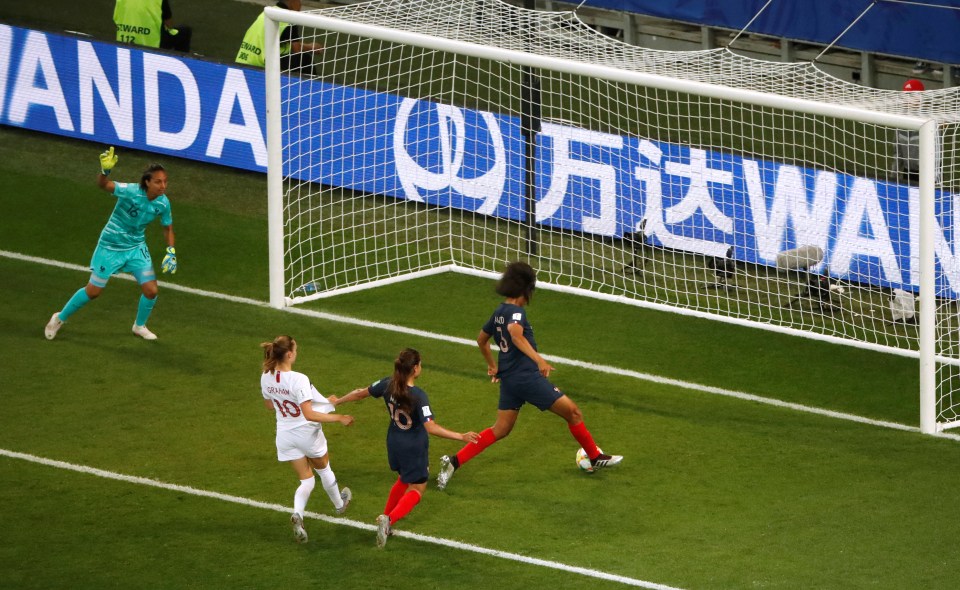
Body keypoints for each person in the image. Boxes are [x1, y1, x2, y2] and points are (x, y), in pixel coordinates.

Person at [436, 261, 622, 491]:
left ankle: (454, 461)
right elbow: (515, 335)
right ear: (525, 289)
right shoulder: (516, 312)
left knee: (500, 429)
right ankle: (595, 456)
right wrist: (539, 360)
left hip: (510, 381)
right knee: (573, 412)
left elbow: (481, 340)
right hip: (526, 379)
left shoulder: (499, 312)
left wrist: (493, 366)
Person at [330, 348, 479, 548]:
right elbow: (430, 427)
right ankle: (389, 520)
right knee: (417, 488)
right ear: (415, 369)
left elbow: (360, 393)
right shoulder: (418, 395)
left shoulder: (387, 385)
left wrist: (337, 401)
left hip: (393, 443)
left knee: (403, 478)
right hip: (413, 447)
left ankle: (385, 519)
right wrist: (460, 436)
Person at [45, 147, 176, 341]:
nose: (163, 185)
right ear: (147, 182)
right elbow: (103, 184)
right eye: (158, 181)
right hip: (110, 246)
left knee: (151, 291)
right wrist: (105, 171)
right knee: (94, 291)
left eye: (165, 181)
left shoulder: (163, 203)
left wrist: (171, 250)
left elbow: (167, 228)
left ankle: (139, 326)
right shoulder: (131, 191)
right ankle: (59, 317)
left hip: (135, 248)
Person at [260, 335, 355, 544]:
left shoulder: (265, 376)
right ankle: (339, 505)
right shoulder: (298, 378)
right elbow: (309, 414)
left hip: (284, 436)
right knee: (323, 469)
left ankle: (298, 515)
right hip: (307, 434)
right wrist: (338, 417)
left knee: (306, 479)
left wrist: (317, 402)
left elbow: (270, 405)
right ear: (289, 354)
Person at [236, 0, 322, 75]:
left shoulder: (267, 13)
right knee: (305, 59)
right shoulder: (287, 18)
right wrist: (311, 48)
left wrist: (308, 46)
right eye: (299, 1)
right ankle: (313, 89)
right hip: (260, 64)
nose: (300, 5)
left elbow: (288, 44)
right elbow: (297, 50)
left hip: (243, 61)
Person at [114, 0, 192, 52]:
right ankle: (181, 60)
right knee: (185, 32)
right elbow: (169, 24)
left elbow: (116, 18)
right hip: (151, 45)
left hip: (123, 43)